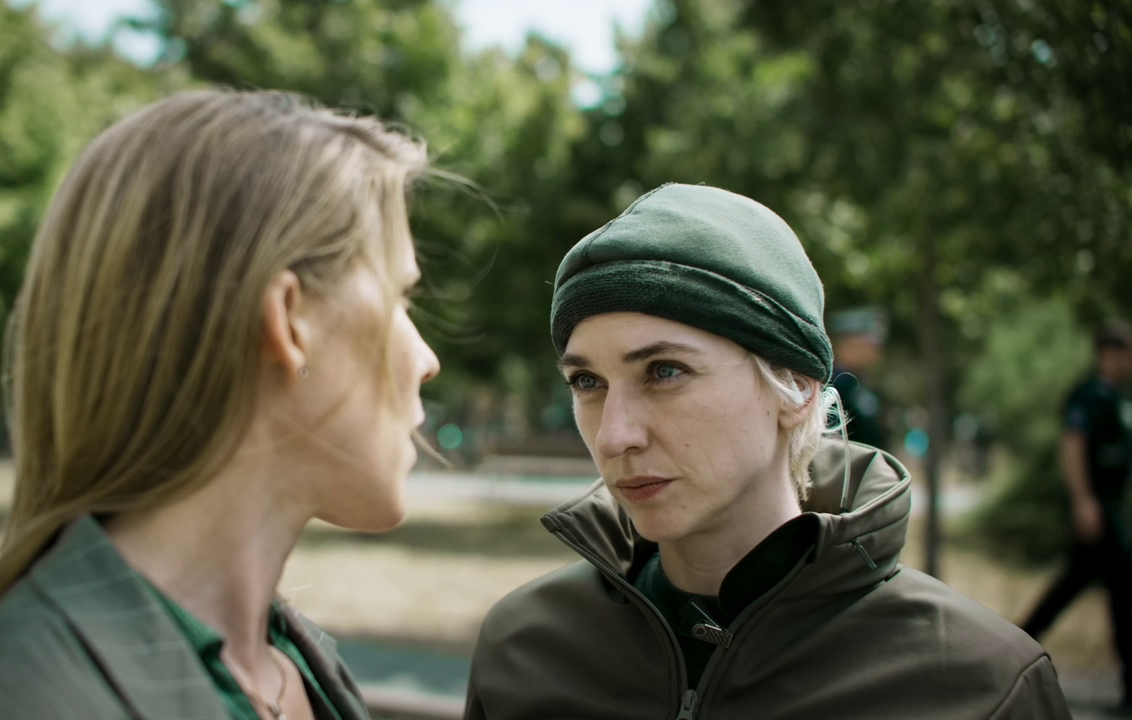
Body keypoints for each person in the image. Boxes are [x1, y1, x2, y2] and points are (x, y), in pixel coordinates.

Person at [465, 184, 1070, 719]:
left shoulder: (980, 686)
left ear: (796, 387)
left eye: (665, 371)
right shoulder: (525, 650)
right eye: (587, 382)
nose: (614, 435)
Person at [0, 89, 439, 720]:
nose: (426, 359)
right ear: (290, 321)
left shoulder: (299, 670)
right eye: (399, 297)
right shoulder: (33, 691)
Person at [1022, 320, 1132, 713]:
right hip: (1097, 507)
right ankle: (1015, 649)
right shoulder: (1088, 395)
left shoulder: (1118, 397)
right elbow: (1073, 445)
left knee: (1073, 586)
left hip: (1113, 508)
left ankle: (1015, 645)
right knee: (1122, 590)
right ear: (1110, 353)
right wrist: (1084, 500)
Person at [830, 307, 888, 449]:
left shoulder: (859, 382)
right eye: (869, 344)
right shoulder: (834, 385)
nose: (876, 351)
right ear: (848, 344)